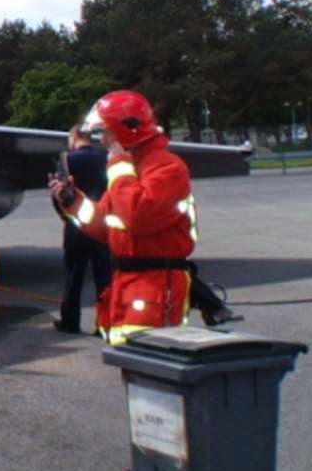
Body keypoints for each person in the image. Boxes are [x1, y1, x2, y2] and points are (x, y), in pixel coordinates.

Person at [51, 90, 212, 346]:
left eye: (106, 132)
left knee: (154, 363)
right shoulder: (130, 168)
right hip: (129, 283)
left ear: (127, 130)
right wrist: (73, 201)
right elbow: (104, 223)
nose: (102, 140)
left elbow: (136, 216)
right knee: (135, 365)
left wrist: (119, 167)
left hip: (156, 285)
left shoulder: (167, 168)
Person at [50, 127, 113, 334]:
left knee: (74, 276)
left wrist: (65, 217)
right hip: (101, 223)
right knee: (104, 276)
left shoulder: (66, 160)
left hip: (76, 226)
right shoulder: (106, 157)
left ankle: (70, 321)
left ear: (74, 138)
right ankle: (104, 324)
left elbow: (59, 195)